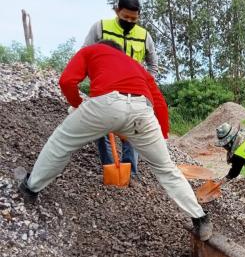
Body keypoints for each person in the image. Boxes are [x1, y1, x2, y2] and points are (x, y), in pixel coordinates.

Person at [18, 40, 212, 241]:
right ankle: (200, 218)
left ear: (105, 47)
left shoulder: (91, 51)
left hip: (104, 104)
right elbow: (160, 103)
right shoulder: (135, 65)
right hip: (142, 111)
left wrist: (77, 105)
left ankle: (31, 187)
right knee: (166, 168)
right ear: (120, 52)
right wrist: (159, 136)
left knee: (60, 143)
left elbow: (67, 81)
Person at [83, 0, 159, 178]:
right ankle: (109, 168)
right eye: (125, 17)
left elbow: (153, 64)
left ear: (139, 16)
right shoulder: (101, 27)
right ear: (117, 11)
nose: (129, 21)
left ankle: (130, 173)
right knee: (102, 129)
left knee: (133, 131)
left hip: (133, 93)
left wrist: (147, 84)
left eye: (134, 19)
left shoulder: (144, 35)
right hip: (105, 90)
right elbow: (85, 54)